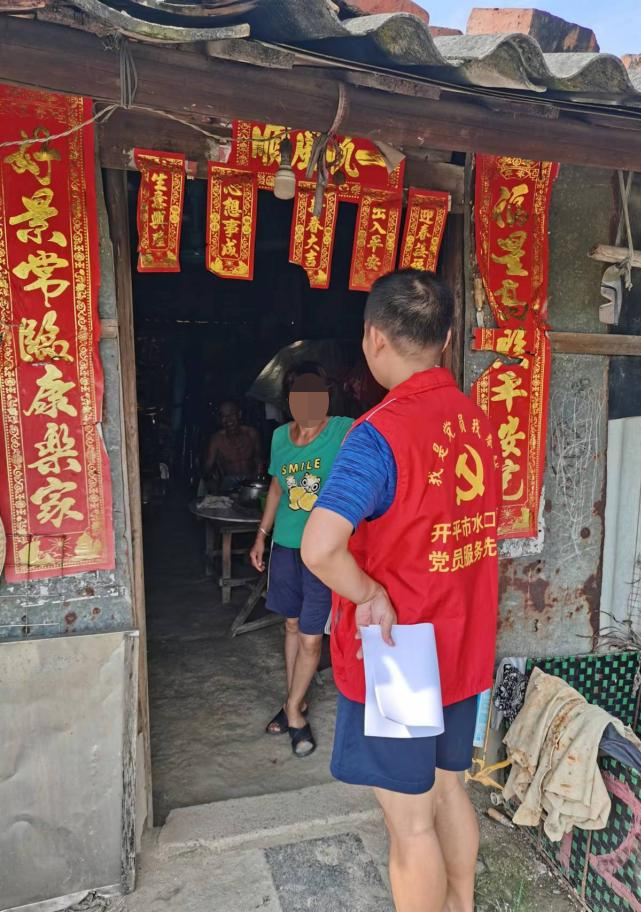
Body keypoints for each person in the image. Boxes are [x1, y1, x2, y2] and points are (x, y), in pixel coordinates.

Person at [301, 271, 500, 912]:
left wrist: (368, 594)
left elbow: (319, 548)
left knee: (410, 824)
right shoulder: (478, 422)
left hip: (403, 657)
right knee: (449, 789)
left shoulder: (377, 435)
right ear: (447, 339)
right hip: (461, 645)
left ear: (374, 338)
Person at [249, 362, 353, 758]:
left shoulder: (342, 430)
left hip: (322, 551)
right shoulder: (280, 437)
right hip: (286, 547)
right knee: (291, 625)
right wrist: (261, 536)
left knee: (311, 637)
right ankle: (298, 698)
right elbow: (277, 488)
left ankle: (293, 712)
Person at [203, 400, 262, 493]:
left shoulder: (251, 433)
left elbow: (259, 459)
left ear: (239, 414)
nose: (228, 419)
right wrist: (212, 484)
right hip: (228, 482)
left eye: (231, 414)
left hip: (250, 480)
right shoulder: (216, 439)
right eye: (224, 416)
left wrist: (258, 480)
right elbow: (207, 468)